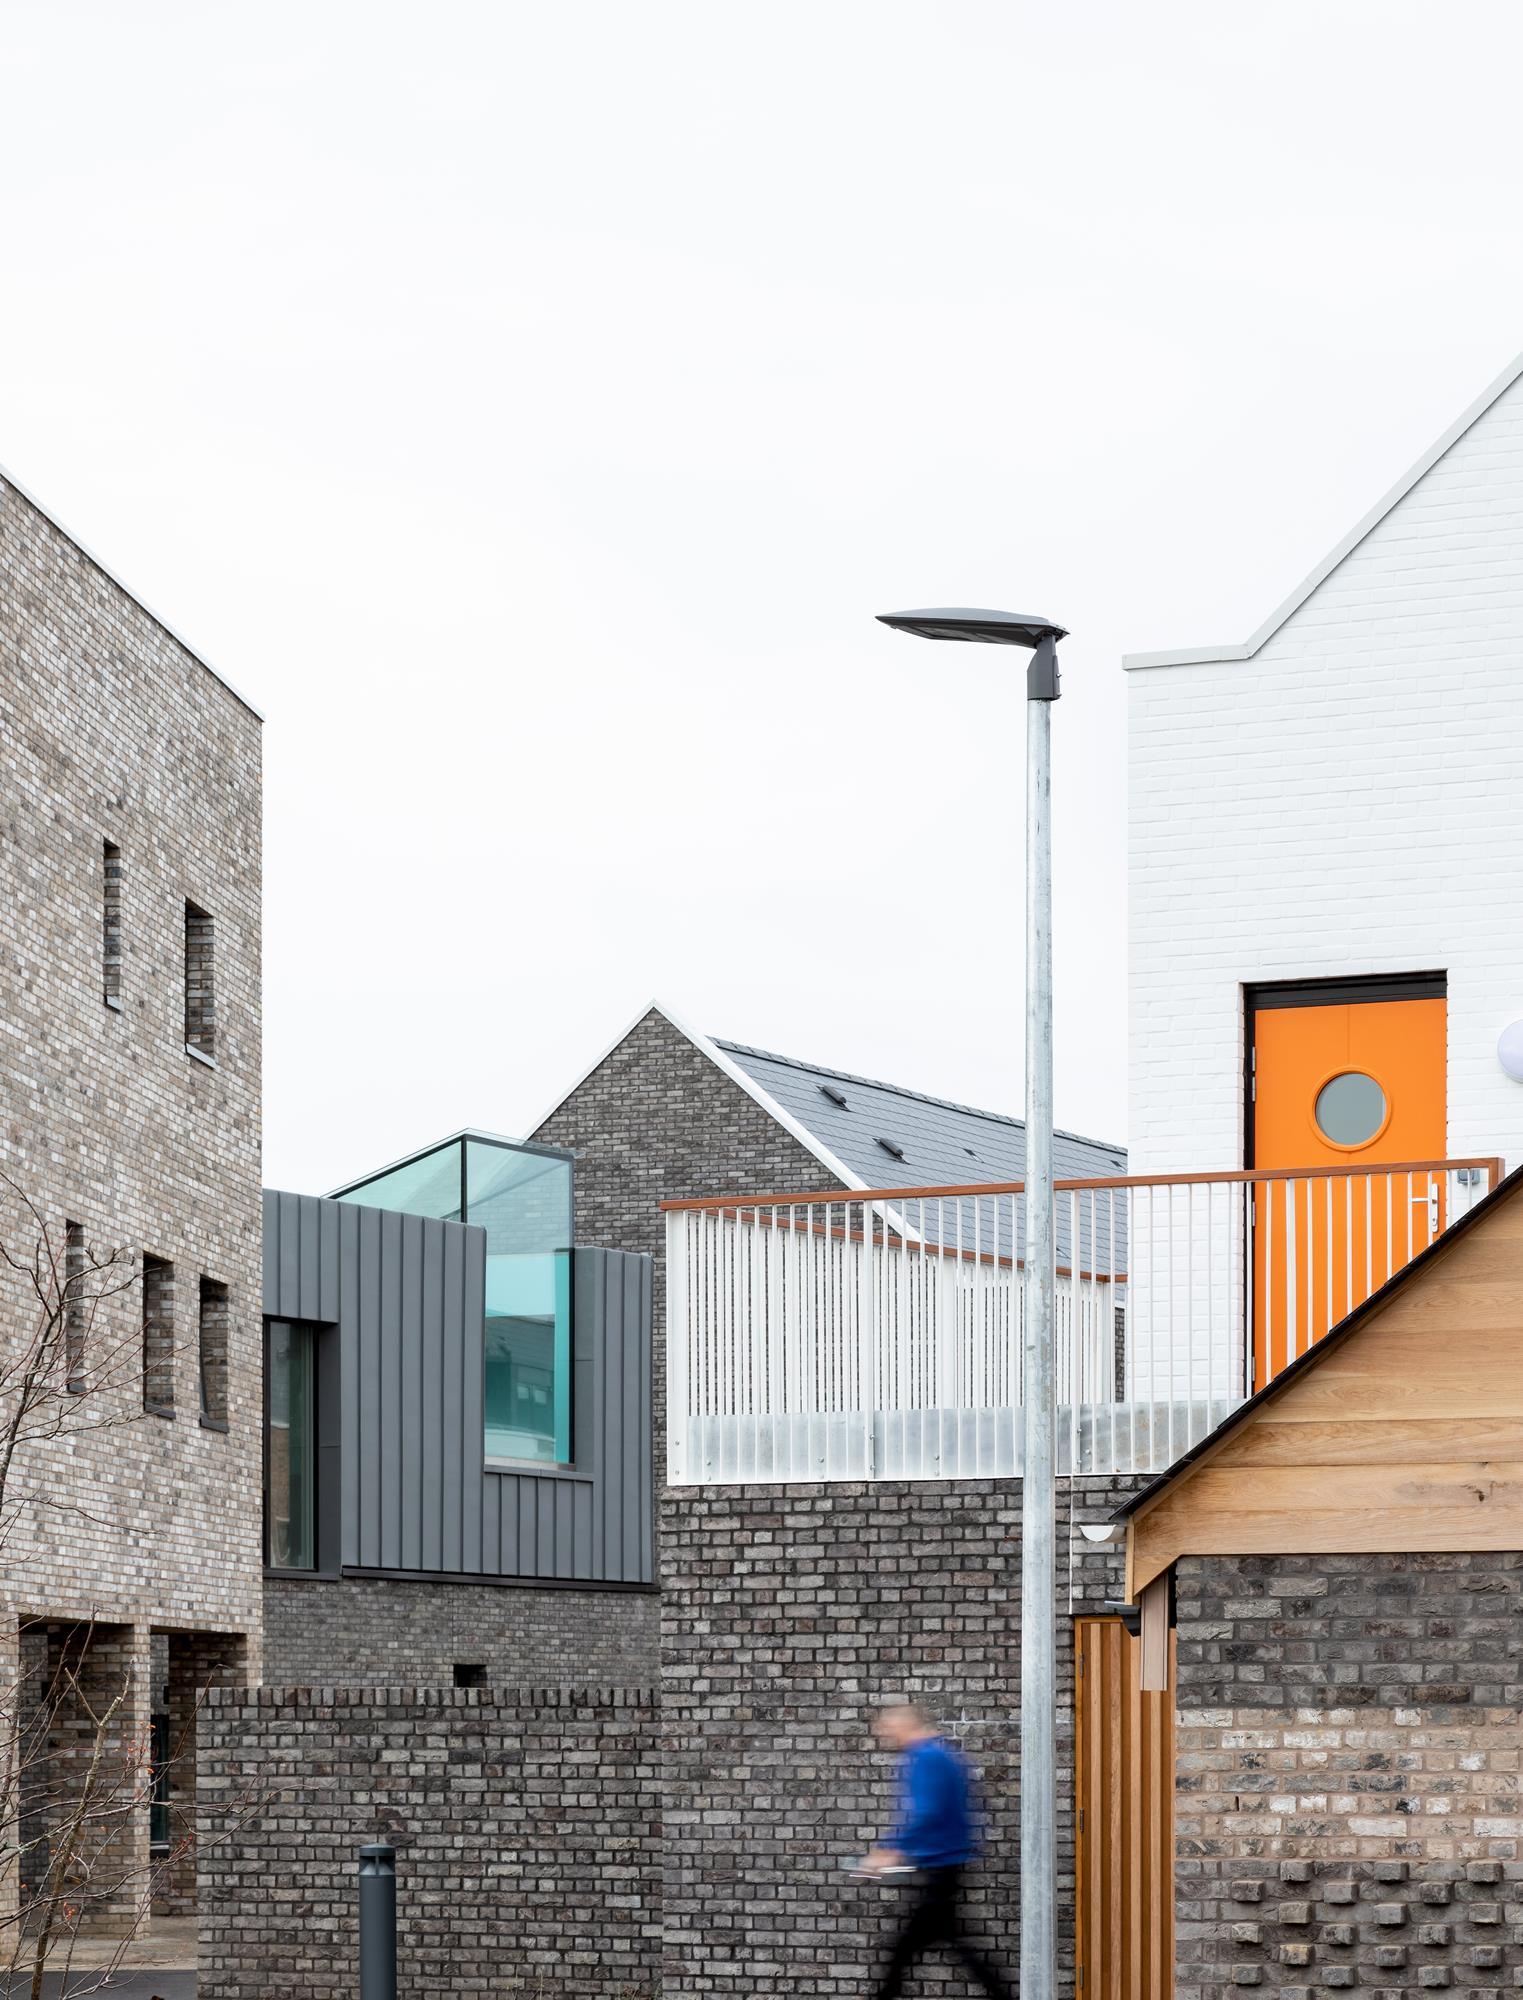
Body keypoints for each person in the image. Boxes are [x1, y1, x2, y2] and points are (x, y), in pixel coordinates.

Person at [861, 1701, 1014, 2000]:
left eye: (889, 1726)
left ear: (906, 1725)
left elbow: (927, 1812)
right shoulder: (940, 1755)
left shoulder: (926, 1758)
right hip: (944, 1866)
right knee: (951, 1946)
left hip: (940, 1868)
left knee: (902, 1950)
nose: (884, 1732)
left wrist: (889, 1849)